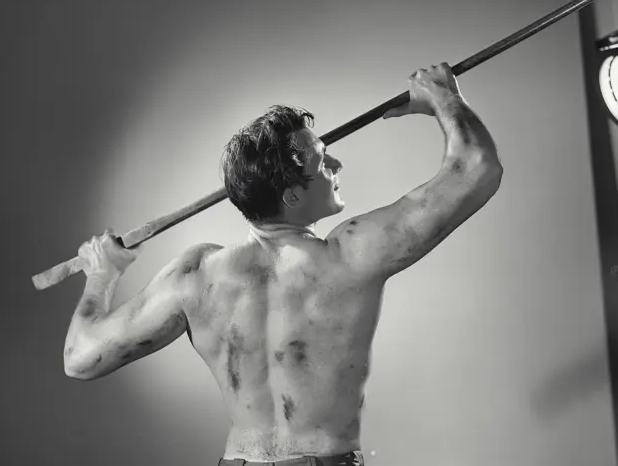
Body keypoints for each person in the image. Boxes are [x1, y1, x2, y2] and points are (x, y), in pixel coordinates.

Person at [63, 63, 503, 466]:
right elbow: (476, 168)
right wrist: (443, 97)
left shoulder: (196, 275)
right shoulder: (351, 254)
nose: (336, 163)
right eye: (322, 159)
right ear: (291, 196)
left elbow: (81, 359)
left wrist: (102, 276)